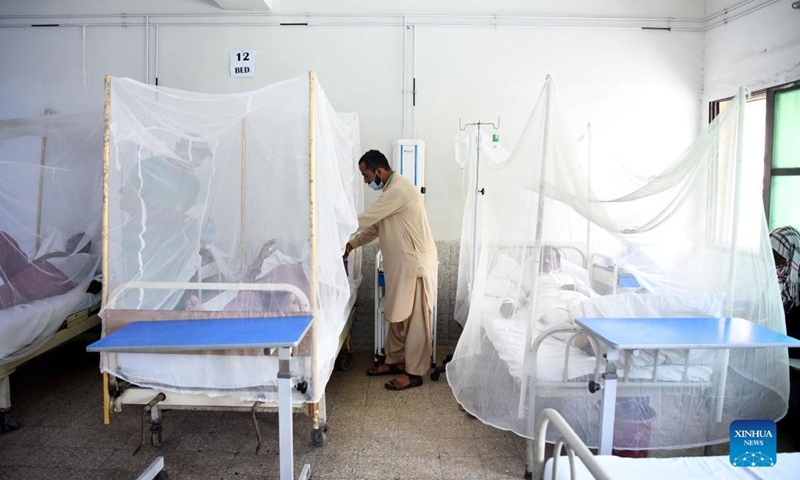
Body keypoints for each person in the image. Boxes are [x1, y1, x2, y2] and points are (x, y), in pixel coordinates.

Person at [343, 150, 437, 390]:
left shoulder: (399, 191)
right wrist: (350, 244)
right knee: (396, 314)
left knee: (415, 320)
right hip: (399, 266)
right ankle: (395, 361)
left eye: (366, 175)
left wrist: (333, 225)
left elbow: (364, 220)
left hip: (414, 266)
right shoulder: (391, 192)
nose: (366, 181)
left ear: (379, 171)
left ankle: (414, 372)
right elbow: (376, 227)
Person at [186, 239, 309, 313]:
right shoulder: (283, 263)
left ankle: (209, 320)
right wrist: (261, 257)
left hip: (280, 300)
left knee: (287, 302)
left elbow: (312, 300)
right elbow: (248, 281)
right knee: (244, 300)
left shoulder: (313, 278)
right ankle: (208, 318)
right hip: (258, 293)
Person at [0, 231, 93, 308]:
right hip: (29, 271)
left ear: (83, 246)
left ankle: (6, 297)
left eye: (75, 240)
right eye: (71, 239)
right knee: (2, 238)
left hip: (43, 279)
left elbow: (96, 279)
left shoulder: (86, 260)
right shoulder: (58, 253)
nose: (70, 241)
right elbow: (36, 262)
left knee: (18, 288)